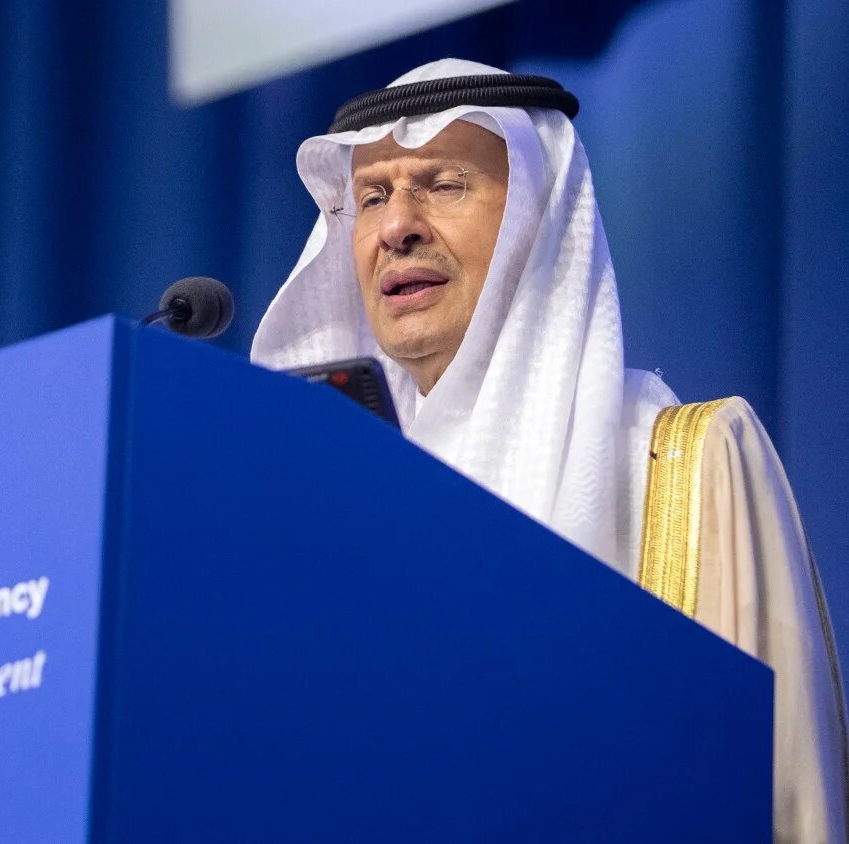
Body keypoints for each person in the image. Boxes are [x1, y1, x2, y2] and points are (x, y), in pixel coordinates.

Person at [252, 58, 848, 843]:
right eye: (371, 197)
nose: (397, 226)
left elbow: (787, 800)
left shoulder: (686, 466)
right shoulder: (333, 521)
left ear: (541, 218)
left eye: (443, 183)